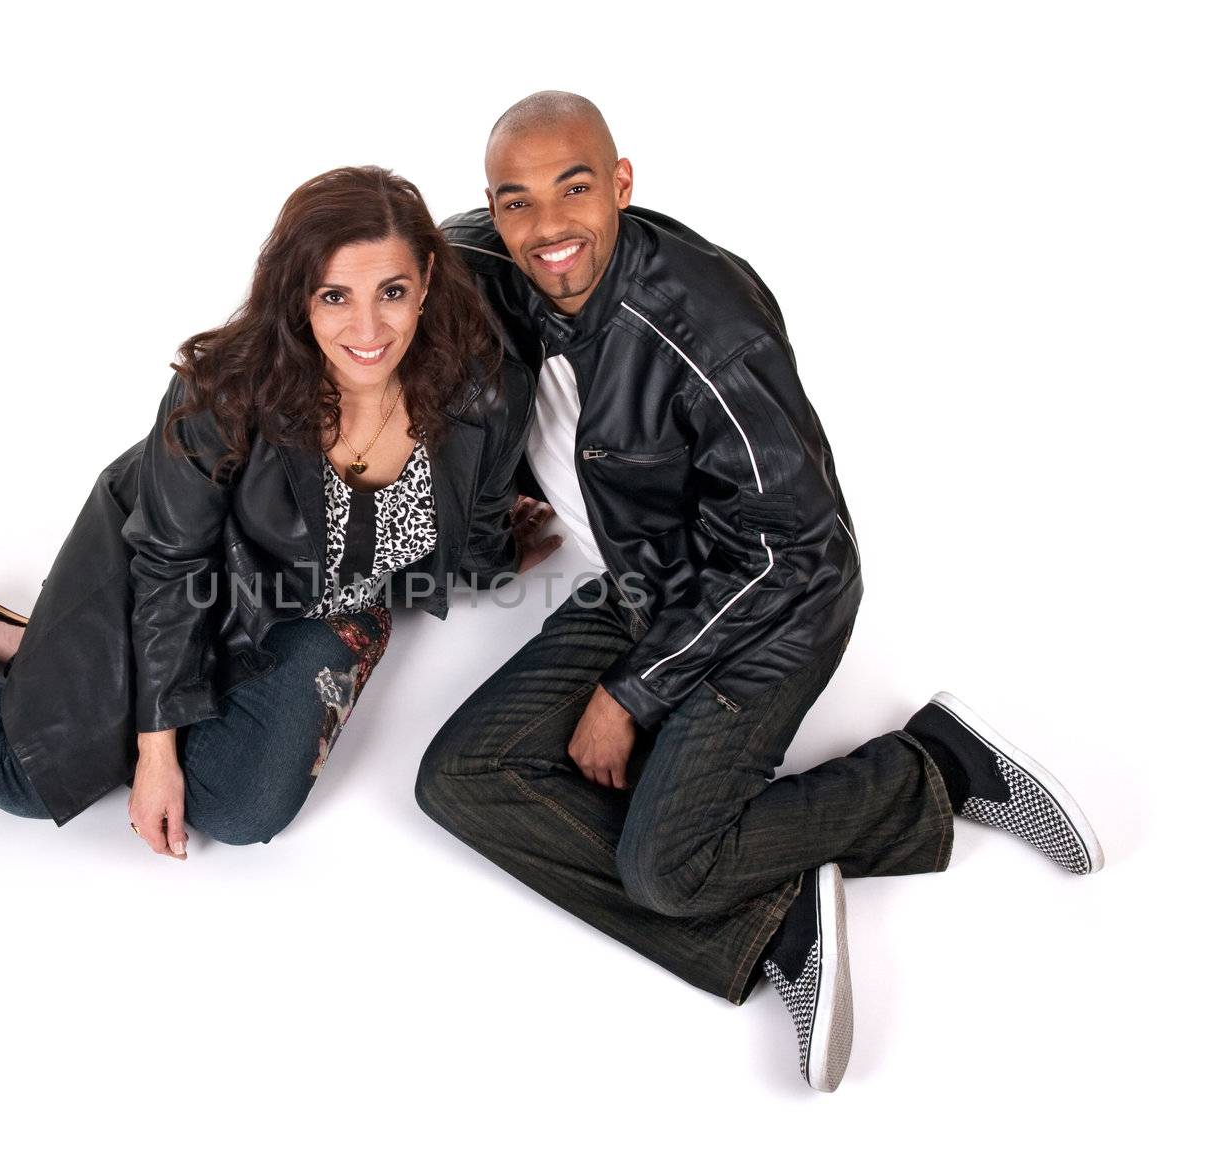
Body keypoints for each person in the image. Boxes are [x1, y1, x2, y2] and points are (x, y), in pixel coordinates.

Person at [416, 93, 1104, 1091]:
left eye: (574, 187)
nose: (546, 227)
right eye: (516, 202)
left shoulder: (707, 325)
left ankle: (933, 772)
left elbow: (794, 544)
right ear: (490, 209)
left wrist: (630, 695)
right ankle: (771, 913)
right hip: (647, 576)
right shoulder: (481, 267)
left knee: (666, 866)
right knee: (458, 778)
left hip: (777, 598)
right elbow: (373, 270)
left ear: (621, 183)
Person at [0, 165, 558, 857]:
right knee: (25, 777)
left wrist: (492, 556)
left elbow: (473, 517)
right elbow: (171, 568)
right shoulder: (225, 392)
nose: (368, 327)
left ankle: (27, 647)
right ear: (295, 296)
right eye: (335, 296)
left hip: (317, 607)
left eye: (393, 291)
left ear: (426, 286)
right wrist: (154, 750)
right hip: (166, 569)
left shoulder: (482, 389)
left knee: (236, 810)